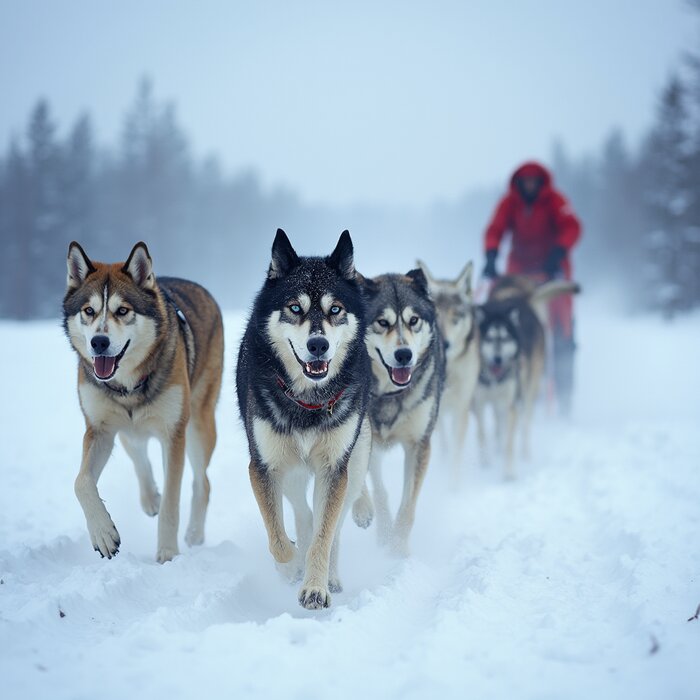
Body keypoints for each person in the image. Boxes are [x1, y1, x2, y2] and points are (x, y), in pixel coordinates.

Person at [481, 161, 581, 415]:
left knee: (561, 326)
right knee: (504, 309)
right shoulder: (510, 203)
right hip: (519, 271)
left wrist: (558, 251)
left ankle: (565, 393)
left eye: (533, 181)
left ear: (541, 182)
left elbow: (572, 227)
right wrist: (492, 255)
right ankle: (519, 387)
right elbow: (495, 229)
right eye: (524, 181)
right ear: (518, 183)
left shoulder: (555, 201)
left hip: (552, 268)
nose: (529, 185)